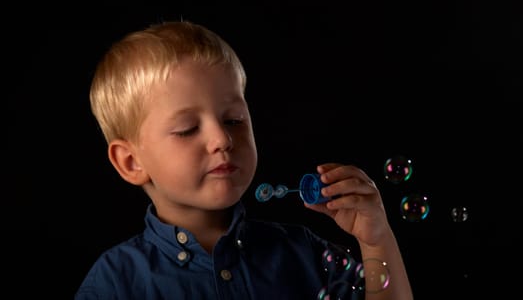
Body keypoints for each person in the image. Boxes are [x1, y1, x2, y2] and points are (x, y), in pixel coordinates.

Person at [75, 20, 413, 300]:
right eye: (188, 129)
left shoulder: (302, 254)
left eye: (234, 120)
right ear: (132, 162)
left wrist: (374, 241)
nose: (222, 139)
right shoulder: (115, 283)